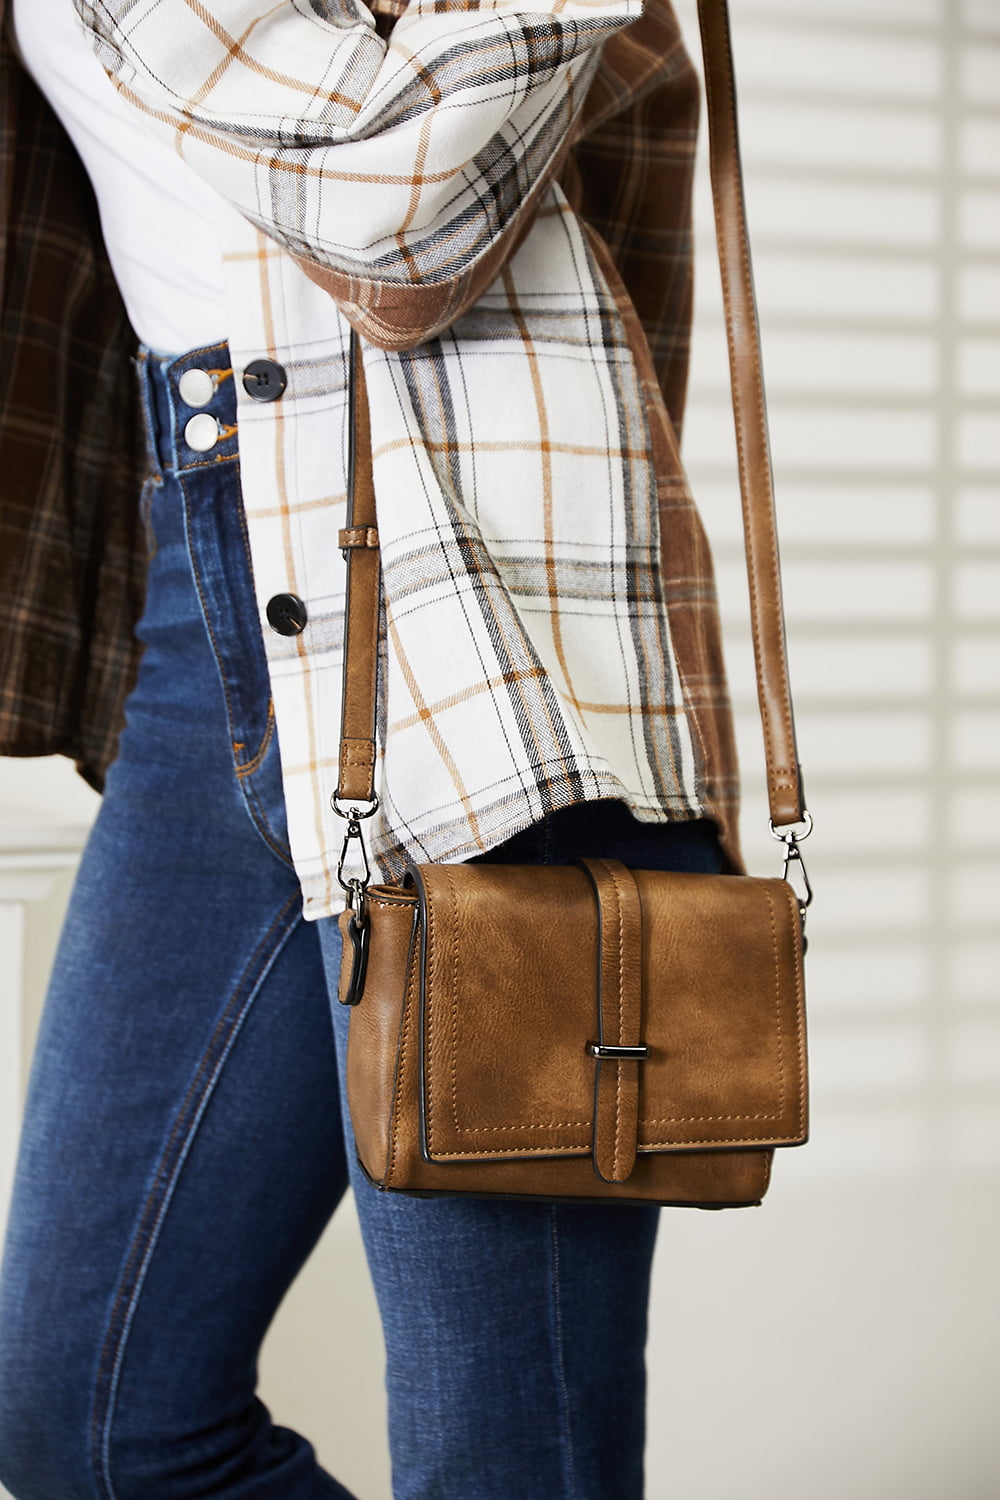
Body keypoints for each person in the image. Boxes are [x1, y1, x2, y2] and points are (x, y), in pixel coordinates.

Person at [0, 1, 742, 1495]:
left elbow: (393, 205)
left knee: (505, 1458)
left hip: (470, 609)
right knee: (83, 1418)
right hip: (204, 579)